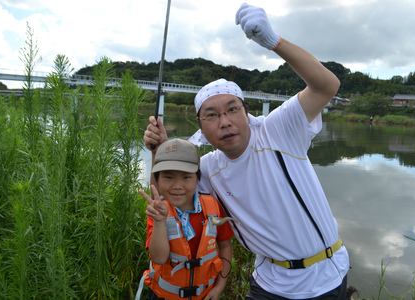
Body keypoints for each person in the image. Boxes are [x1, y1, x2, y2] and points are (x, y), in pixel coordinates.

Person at [143, 3, 350, 300]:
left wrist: (273, 41)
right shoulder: (209, 168)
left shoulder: (278, 129)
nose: (225, 122)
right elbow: (166, 192)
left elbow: (326, 86)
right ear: (201, 127)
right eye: (212, 115)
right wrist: (162, 150)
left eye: (232, 109)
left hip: (326, 277)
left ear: (246, 112)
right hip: (268, 283)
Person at [137, 138, 233, 300]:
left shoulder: (212, 207)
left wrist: (219, 286)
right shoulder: (158, 212)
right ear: (158, 179)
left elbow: (225, 246)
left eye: (186, 177)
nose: (177, 186)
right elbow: (159, 259)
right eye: (168, 177)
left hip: (205, 294)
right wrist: (160, 222)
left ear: (197, 178)